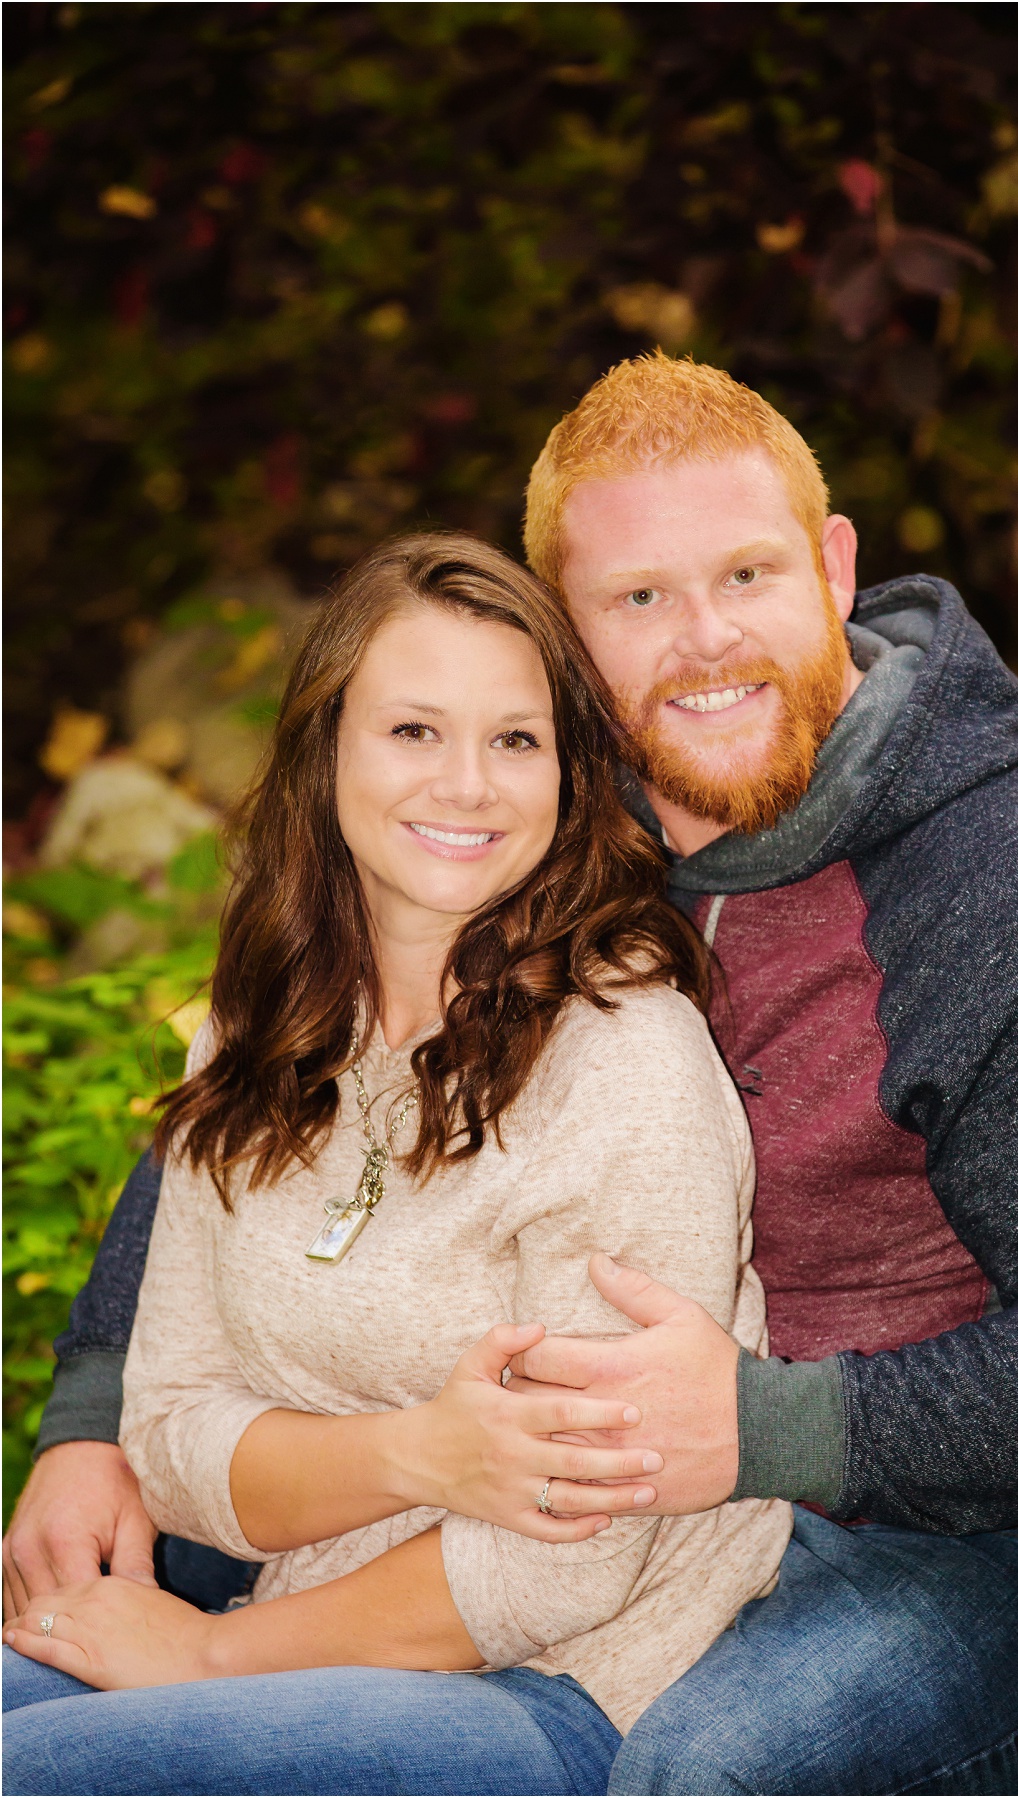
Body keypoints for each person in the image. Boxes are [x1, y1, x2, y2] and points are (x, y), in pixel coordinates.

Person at [7, 355, 1018, 1794]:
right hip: (542, 1467)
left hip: (1007, 1522)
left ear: (831, 567)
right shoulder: (535, 800)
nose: (705, 643)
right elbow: (281, 1081)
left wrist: (772, 1424)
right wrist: (90, 1419)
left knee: (705, 1771)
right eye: (638, 598)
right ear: (563, 637)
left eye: (747, 575)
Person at [1, 532, 793, 1796]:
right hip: (304, 1630)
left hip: (569, 1690)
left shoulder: (625, 1065)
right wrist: (421, 1452)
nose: (468, 783)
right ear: (325, 753)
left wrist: (212, 1655)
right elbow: (169, 1429)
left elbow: (566, 1558)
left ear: (569, 774)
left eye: (516, 739)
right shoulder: (264, 1028)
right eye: (414, 731)